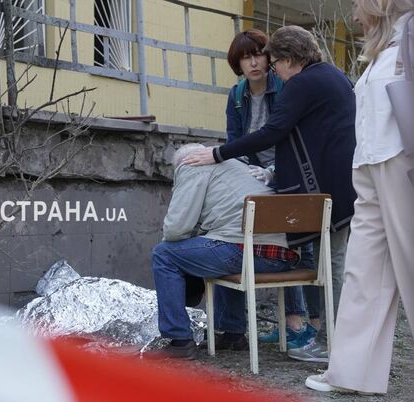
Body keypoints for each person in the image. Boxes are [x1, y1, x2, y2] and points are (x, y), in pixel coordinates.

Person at [183, 25, 357, 362]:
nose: (272, 69)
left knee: (328, 265)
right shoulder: (333, 76)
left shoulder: (301, 84)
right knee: (331, 262)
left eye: (274, 62)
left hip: (322, 190)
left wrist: (217, 154)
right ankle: (327, 337)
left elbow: (272, 132)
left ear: (289, 59)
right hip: (340, 184)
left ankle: (332, 342)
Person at [305, 0, 414, 394]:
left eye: (357, 3)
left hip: (403, 162)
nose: (354, 14)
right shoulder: (384, 48)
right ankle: (351, 373)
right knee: (362, 272)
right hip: (370, 165)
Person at [152, 144, 300, 359]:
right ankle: (232, 334)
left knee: (164, 254)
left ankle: (179, 340)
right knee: (221, 245)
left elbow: (176, 229)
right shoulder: (240, 166)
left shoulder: (192, 165)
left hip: (244, 250)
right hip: (284, 257)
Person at [216, 28, 310, 349]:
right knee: (229, 234)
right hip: (252, 175)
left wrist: (273, 173)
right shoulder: (236, 95)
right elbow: (234, 142)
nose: (253, 63)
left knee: (290, 243)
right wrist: (242, 175)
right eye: (245, 58)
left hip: (287, 173)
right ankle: (233, 328)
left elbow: (293, 137)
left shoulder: (284, 87)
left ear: (269, 57)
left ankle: (297, 322)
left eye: (258, 54)